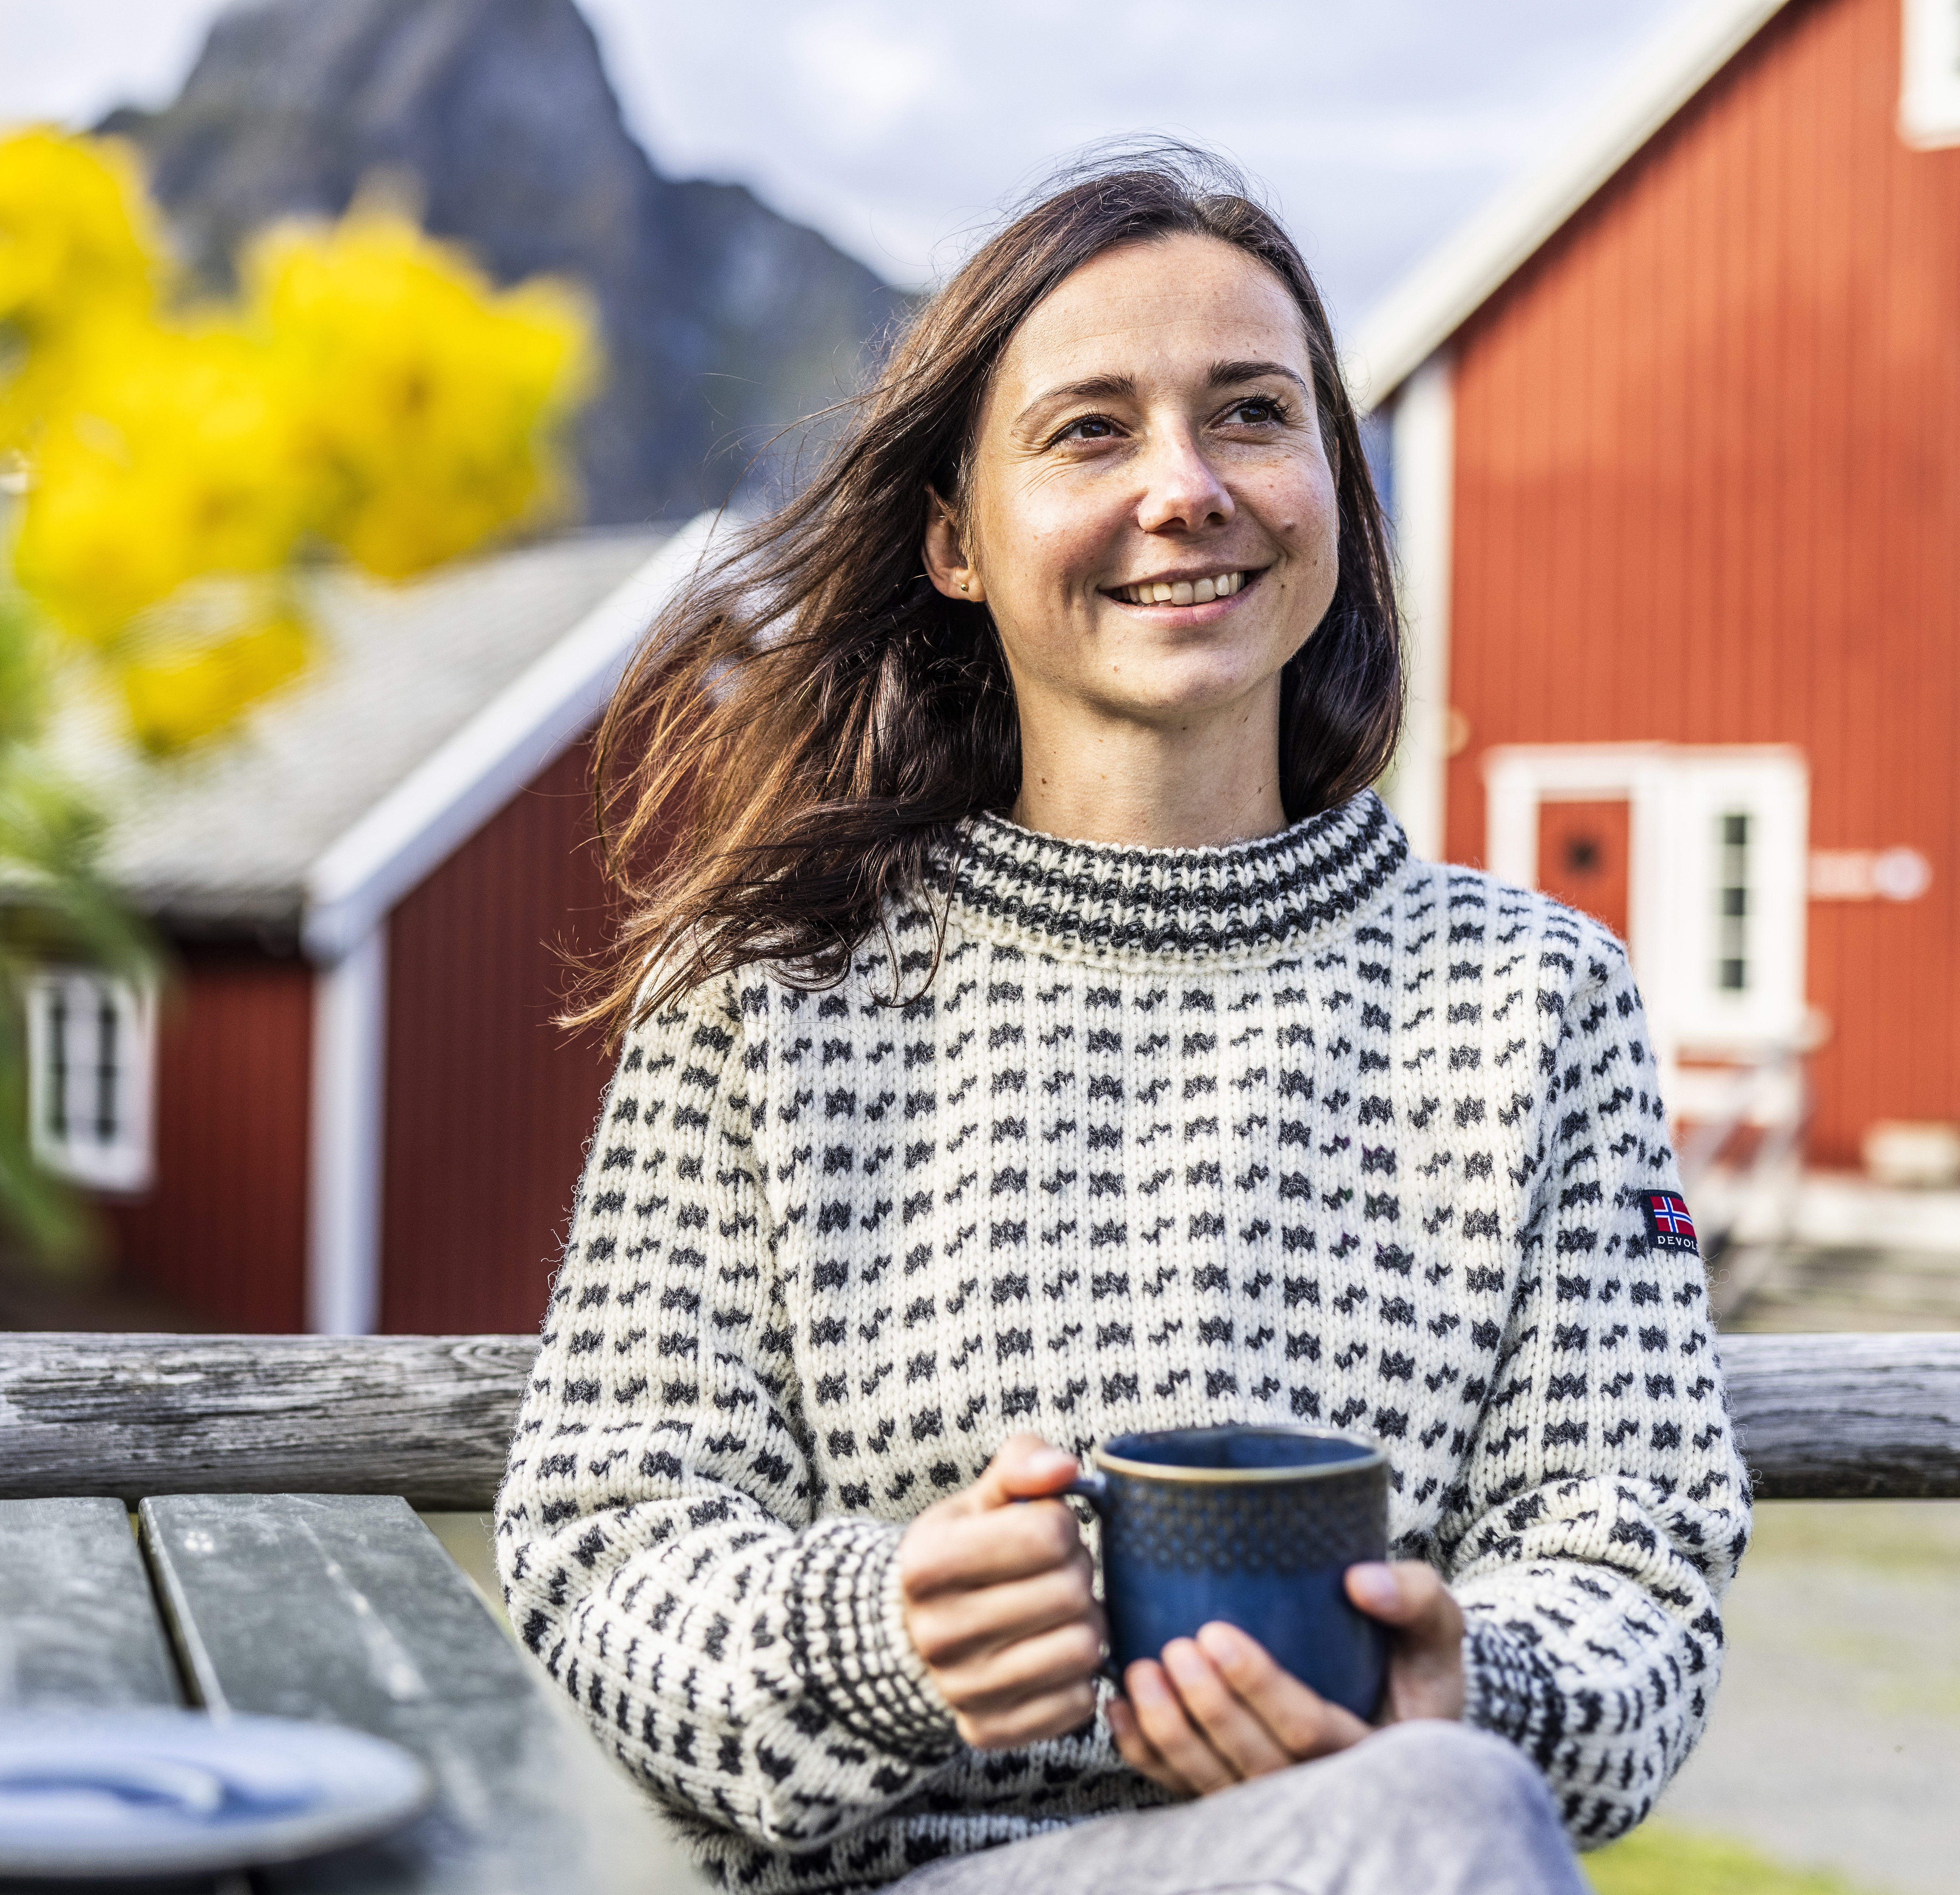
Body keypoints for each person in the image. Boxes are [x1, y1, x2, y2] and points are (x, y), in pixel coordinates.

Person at [495, 149, 1750, 1895]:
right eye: (1090, 431)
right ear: (951, 537)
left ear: (1330, 483)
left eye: (1249, 413)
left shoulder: (1534, 1003)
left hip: (1385, 1852)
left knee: (1439, 1811)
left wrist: (1471, 1685)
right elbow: (599, 1553)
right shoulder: (765, 994)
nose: (1185, 488)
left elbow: (1632, 1563)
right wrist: (877, 1635)